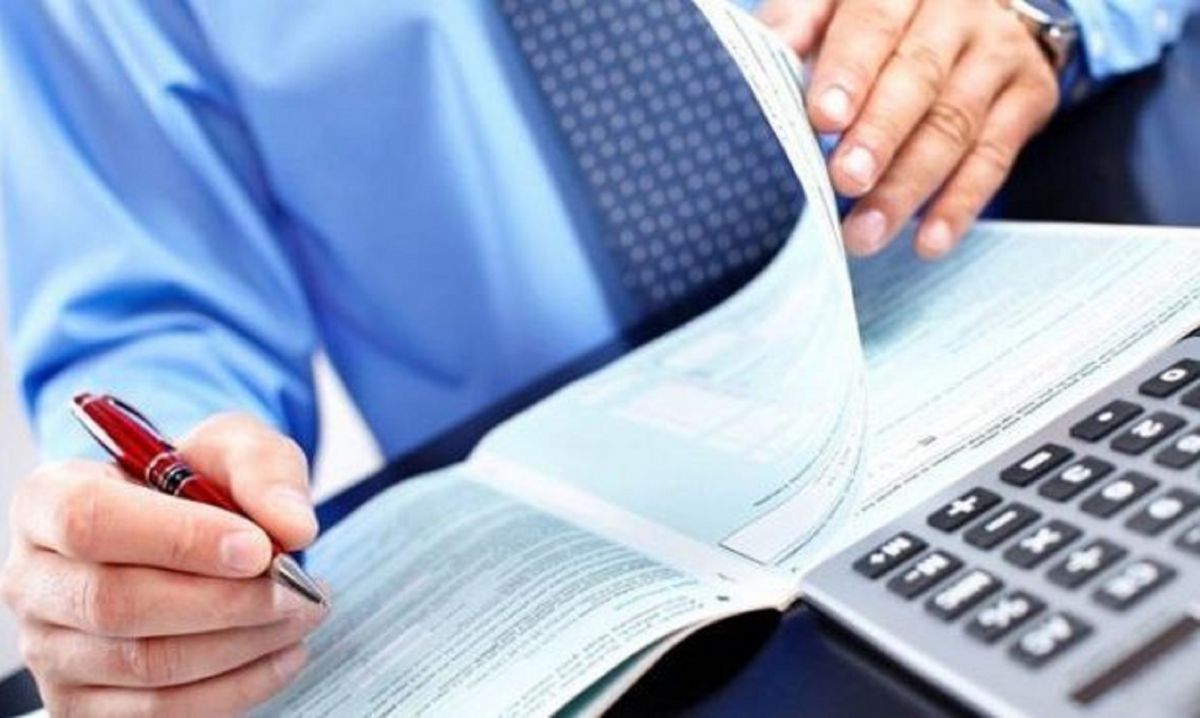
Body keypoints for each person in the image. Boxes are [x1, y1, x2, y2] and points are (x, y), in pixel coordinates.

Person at [0, 0, 1190, 714]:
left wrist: (1051, 13)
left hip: (1056, 292)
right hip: (645, 596)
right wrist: (155, 545)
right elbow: (157, 320)